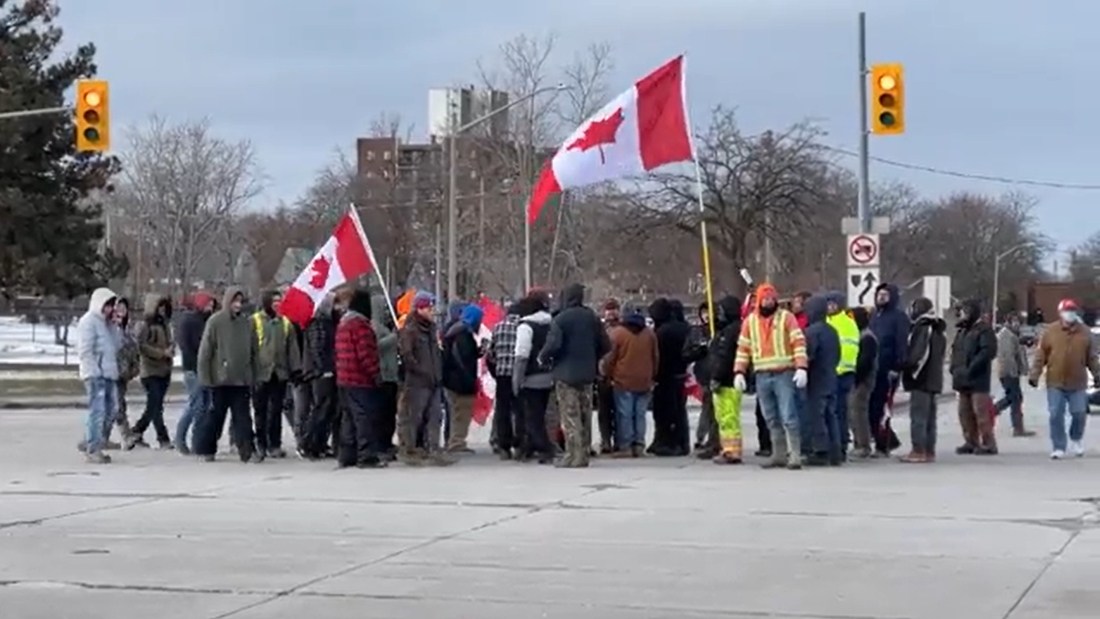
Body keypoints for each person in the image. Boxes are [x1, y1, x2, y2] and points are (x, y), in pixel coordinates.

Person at [733, 283, 808, 470]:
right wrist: (739, 372)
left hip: (784, 373)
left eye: (771, 298)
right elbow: (743, 349)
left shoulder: (786, 318)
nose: (769, 301)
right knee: (771, 417)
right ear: (759, 300)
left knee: (789, 415)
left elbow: (798, 342)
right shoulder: (750, 322)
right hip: (761, 375)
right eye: (765, 298)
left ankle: (795, 455)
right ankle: (779, 455)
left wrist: (801, 367)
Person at [538, 283, 610, 467]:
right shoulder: (592, 318)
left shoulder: (561, 319)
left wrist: (543, 358)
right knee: (585, 413)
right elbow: (606, 344)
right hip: (587, 374)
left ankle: (573, 454)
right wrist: (593, 357)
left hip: (565, 374)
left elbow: (553, 345)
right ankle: (584, 453)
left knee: (570, 415)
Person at [194, 287, 261, 463]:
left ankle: (247, 450)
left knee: (243, 419)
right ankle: (206, 449)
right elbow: (205, 352)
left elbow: (254, 351)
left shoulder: (247, 323)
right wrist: (206, 378)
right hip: (220, 380)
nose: (238, 305)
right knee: (215, 418)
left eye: (240, 301)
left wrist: (254, 374)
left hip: (241, 380)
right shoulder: (215, 322)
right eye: (235, 301)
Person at [1028, 298, 1100, 459]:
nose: (1070, 314)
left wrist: (1097, 374)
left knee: (1079, 413)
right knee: (1055, 414)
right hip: (1055, 381)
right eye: (1067, 311)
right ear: (1060, 313)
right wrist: (1034, 374)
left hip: (1077, 382)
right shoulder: (1050, 332)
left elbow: (1092, 357)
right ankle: (1058, 446)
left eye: (1073, 311)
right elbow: (1041, 356)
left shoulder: (1085, 332)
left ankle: (1076, 439)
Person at [397, 292, 451, 465]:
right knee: (413, 417)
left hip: (434, 380)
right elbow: (407, 354)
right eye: (429, 308)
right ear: (419, 309)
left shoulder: (432, 329)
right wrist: (419, 370)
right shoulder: (410, 329)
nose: (432, 311)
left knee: (435, 416)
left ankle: (433, 448)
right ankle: (409, 449)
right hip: (417, 381)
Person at [334, 289, 386, 468]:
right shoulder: (361, 326)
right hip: (359, 379)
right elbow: (366, 355)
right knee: (364, 418)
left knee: (348, 418)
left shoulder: (343, 324)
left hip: (344, 378)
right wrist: (376, 375)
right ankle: (367, 455)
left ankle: (347, 455)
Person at [251, 289, 301, 459]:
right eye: (274, 301)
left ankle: (275, 444)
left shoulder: (285, 323)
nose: (278, 304)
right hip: (260, 373)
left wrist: (295, 369)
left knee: (276, 410)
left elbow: (292, 349)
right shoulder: (255, 320)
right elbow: (248, 348)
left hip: (279, 373)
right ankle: (261, 444)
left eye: (280, 301)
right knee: (260, 411)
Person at [602, 307, 658, 458]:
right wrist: (652, 375)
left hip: (623, 380)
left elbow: (610, 359)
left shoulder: (618, 334)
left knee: (625, 413)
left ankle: (625, 446)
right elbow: (655, 357)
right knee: (640, 414)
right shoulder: (649, 333)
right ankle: (639, 445)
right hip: (644, 379)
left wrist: (607, 375)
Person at [76, 287, 121, 464]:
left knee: (112, 409)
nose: (109, 309)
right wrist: (95, 371)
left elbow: (116, 346)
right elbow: (85, 350)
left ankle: (93, 438)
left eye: (111, 306)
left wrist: (114, 326)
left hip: (109, 373)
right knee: (98, 410)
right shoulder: (88, 322)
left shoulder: (106, 324)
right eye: (107, 305)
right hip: (95, 373)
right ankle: (93, 447)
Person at [900, 297, 947, 463]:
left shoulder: (923, 328)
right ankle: (929, 449)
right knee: (930, 417)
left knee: (918, 416)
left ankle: (918, 449)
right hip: (933, 377)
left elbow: (919, 354)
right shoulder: (938, 329)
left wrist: (909, 369)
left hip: (921, 377)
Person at [950, 299, 998, 455]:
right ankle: (970, 441)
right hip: (961, 378)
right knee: (964, 412)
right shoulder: (962, 331)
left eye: (965, 311)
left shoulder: (984, 330)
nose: (962, 314)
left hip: (978, 379)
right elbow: (955, 352)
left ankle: (988, 443)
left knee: (981, 412)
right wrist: (954, 368)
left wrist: (971, 368)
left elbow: (987, 352)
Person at [512, 295, 557, 464]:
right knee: (545, 414)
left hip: (531, 377)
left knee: (532, 416)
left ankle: (543, 447)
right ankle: (533, 446)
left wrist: (517, 380)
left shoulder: (526, 327)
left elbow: (521, 355)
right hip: (550, 375)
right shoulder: (551, 323)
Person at [129, 294, 174, 450]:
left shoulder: (165, 325)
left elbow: (169, 342)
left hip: (164, 370)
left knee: (156, 406)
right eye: (159, 307)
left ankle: (150, 435)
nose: (162, 311)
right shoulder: (144, 325)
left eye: (164, 308)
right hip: (150, 371)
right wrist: (161, 353)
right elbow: (141, 346)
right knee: (153, 405)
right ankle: (140, 431)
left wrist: (170, 351)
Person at [868, 283, 909, 456]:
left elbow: (901, 343)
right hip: (872, 369)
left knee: (882, 408)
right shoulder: (874, 317)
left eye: (885, 295)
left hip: (888, 369)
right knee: (871, 407)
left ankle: (882, 444)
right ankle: (886, 440)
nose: (881, 297)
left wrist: (897, 366)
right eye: (879, 294)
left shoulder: (899, 317)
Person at [647, 297, 690, 456]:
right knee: (679, 411)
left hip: (665, 376)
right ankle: (680, 442)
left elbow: (658, 356)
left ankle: (667, 442)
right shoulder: (684, 328)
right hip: (680, 374)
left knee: (664, 412)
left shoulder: (662, 332)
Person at [802, 295, 841, 466]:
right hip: (831, 377)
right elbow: (838, 354)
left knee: (816, 415)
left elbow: (809, 355)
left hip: (816, 379)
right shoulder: (832, 331)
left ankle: (820, 450)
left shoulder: (811, 332)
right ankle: (836, 450)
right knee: (831, 415)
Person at [174, 291, 215, 455]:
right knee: (196, 405)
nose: (211, 307)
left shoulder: (208, 321)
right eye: (208, 304)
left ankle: (197, 441)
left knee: (205, 406)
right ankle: (180, 438)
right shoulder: (189, 321)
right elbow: (188, 346)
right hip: (193, 369)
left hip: (205, 369)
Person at [300, 293, 339, 459]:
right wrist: (323, 369)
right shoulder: (317, 323)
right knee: (320, 408)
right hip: (321, 372)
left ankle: (320, 443)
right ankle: (307, 444)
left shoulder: (329, 322)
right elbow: (318, 348)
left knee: (328, 409)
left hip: (328, 370)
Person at [706, 295, 744, 464]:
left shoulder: (730, 332)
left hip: (727, 381)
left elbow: (725, 356)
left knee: (728, 417)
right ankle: (728, 448)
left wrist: (716, 377)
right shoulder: (732, 329)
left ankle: (731, 451)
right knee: (726, 417)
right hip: (729, 379)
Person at [442, 303, 484, 453]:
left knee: (454, 412)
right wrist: (469, 382)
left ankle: (452, 440)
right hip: (460, 381)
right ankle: (457, 442)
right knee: (461, 414)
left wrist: (477, 352)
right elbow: (463, 359)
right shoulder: (463, 334)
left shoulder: (452, 330)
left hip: (451, 379)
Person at [824, 292, 859, 458]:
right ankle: (836, 443)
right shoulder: (828, 321)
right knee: (835, 411)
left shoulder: (845, 322)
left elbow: (849, 348)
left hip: (842, 372)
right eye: (828, 304)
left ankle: (841, 444)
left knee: (839, 411)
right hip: (833, 372)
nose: (830, 307)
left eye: (833, 304)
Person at [487, 302, 521, 459]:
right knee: (519, 409)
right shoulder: (523, 327)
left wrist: (496, 370)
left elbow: (491, 354)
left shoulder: (498, 327)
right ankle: (520, 443)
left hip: (502, 374)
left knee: (503, 411)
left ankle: (503, 445)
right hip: (519, 374)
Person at [684, 301, 717, 458]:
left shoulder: (719, 330)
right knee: (707, 406)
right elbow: (687, 353)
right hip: (703, 374)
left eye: (708, 312)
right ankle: (702, 435)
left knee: (714, 408)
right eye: (704, 312)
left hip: (717, 372)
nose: (706, 316)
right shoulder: (696, 332)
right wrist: (699, 350)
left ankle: (711, 437)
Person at [995, 312, 1035, 437]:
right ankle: (1017, 427)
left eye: (1019, 322)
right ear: (1009, 322)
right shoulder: (1006, 335)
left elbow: (1018, 351)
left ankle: (994, 411)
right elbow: (1007, 356)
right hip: (1008, 372)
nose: (1018, 324)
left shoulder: (1012, 334)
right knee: (1015, 398)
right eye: (1015, 321)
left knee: (1013, 398)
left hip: (1011, 372)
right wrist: (1013, 372)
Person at [371, 294, 400, 459]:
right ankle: (380, 445)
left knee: (390, 413)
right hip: (382, 374)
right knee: (382, 413)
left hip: (391, 375)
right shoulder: (374, 327)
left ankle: (387, 442)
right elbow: (376, 346)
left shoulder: (386, 326)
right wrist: (394, 337)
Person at [848, 307, 878, 458]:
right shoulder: (859, 335)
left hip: (863, 379)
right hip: (858, 378)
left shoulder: (867, 337)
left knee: (858, 411)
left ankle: (863, 445)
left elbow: (865, 362)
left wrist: (856, 376)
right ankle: (858, 443)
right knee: (854, 411)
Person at [595, 299, 622, 454]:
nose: (611, 312)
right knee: (604, 411)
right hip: (602, 376)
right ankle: (606, 441)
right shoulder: (600, 329)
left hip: (618, 376)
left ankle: (619, 440)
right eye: (608, 309)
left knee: (618, 411)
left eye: (614, 309)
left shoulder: (624, 329)